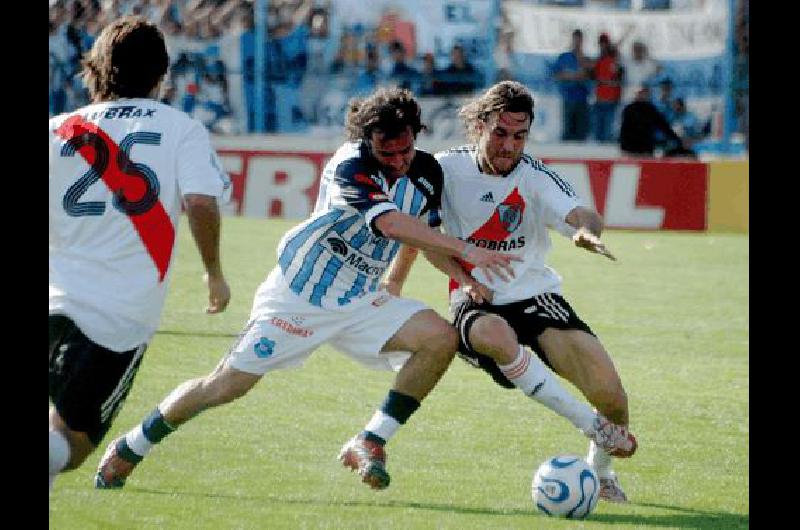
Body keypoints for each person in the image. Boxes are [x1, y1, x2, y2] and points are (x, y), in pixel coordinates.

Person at [94, 87, 518, 492]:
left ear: (415, 137)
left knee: (439, 339)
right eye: (386, 153)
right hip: (299, 295)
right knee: (225, 386)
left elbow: (421, 234)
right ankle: (133, 444)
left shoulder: (427, 172)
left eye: (404, 150)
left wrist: (454, 278)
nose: (397, 161)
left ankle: (371, 439)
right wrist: (467, 251)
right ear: (367, 141)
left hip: (359, 299)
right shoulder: (349, 164)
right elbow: (390, 224)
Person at [384, 81, 638, 503]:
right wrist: (411, 280)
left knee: (611, 395)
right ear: (479, 126)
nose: (508, 145)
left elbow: (582, 213)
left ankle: (601, 473)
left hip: (536, 298)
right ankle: (583, 422)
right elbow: (422, 235)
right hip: (474, 296)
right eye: (500, 133)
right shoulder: (444, 169)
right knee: (493, 334)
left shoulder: (535, 177)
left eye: (519, 136)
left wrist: (585, 234)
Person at [49, 16, 232, 493]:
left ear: (95, 68)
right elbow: (200, 201)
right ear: (161, 73)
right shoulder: (181, 129)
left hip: (52, 299)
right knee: (72, 444)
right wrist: (214, 272)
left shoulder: (58, 130)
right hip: (115, 318)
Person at [619, 85, 685, 156]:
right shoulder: (629, 109)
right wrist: (623, 145)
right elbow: (624, 130)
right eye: (641, 93)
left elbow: (663, 126)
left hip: (645, 148)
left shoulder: (650, 109)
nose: (643, 95)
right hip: (630, 148)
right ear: (636, 94)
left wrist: (677, 139)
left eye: (645, 93)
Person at [552, 29, 592, 141]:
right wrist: (572, 76)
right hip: (568, 97)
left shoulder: (585, 58)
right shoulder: (564, 57)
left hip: (582, 99)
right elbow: (556, 74)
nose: (577, 42)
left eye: (580, 40)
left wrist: (581, 68)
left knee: (581, 131)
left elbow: (589, 76)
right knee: (568, 129)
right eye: (576, 39)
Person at [591, 33, 624, 142]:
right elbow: (593, 77)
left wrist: (606, 82)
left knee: (608, 131)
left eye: (604, 43)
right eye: (601, 44)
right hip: (599, 100)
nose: (603, 46)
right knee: (597, 132)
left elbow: (618, 80)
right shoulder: (599, 60)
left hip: (611, 101)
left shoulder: (616, 60)